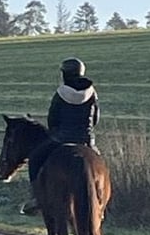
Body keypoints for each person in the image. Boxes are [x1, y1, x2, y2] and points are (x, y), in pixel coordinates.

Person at [21, 57, 100, 215]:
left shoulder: (61, 92)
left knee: (35, 159)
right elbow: (96, 117)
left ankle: (36, 197)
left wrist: (55, 132)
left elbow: (53, 118)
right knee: (100, 165)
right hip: (86, 140)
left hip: (61, 138)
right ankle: (100, 200)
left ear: (65, 74)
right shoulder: (91, 92)